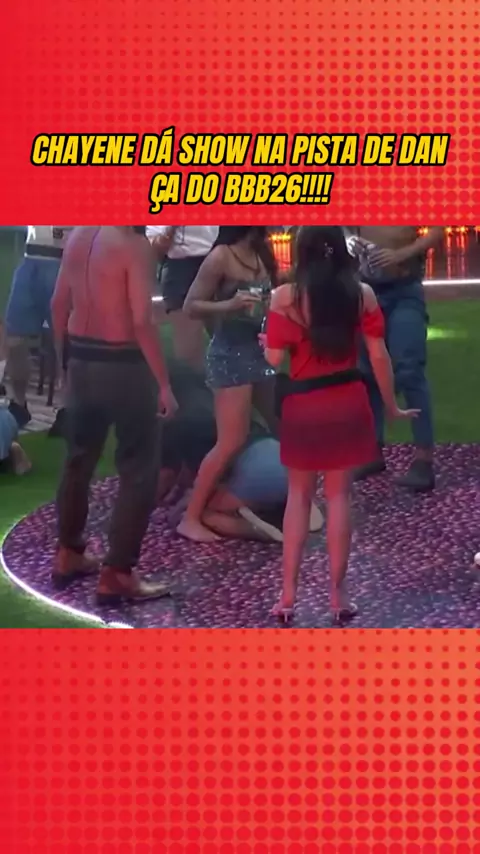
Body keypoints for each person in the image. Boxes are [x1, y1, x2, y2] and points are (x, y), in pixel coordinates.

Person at [262, 226, 419, 623]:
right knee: (338, 499)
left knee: (298, 498)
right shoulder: (361, 295)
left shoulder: (285, 297)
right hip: (347, 404)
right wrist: (391, 406)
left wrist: (267, 341)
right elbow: (379, 356)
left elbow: (274, 360)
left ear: (301, 251)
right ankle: (338, 595)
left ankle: (287, 596)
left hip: (303, 407)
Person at [51, 226, 178, 604]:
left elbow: (58, 305)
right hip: (124, 364)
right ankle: (117, 573)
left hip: (81, 357)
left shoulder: (78, 236)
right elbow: (141, 320)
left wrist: (64, 364)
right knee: (139, 467)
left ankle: (68, 552)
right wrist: (164, 383)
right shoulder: (133, 245)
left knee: (78, 459)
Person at [177, 225, 279, 542]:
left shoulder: (262, 253)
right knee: (231, 440)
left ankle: (271, 497)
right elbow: (191, 306)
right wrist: (229, 305)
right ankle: (191, 516)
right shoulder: (220, 257)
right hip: (230, 355)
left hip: (259, 351)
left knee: (280, 422)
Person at [156, 359, 323, 541]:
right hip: (280, 455)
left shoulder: (176, 425)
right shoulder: (216, 405)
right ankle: (287, 505)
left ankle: (256, 530)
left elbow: (167, 478)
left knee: (198, 509)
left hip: (258, 472)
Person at [346, 226, 443, 492]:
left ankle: (423, 460)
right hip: (365, 289)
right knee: (366, 372)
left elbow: (438, 231)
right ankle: (372, 451)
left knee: (409, 369)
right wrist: (350, 241)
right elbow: (341, 229)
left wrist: (400, 254)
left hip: (404, 288)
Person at [4, 226, 73, 431]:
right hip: (30, 258)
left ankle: (68, 407)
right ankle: (19, 404)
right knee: (14, 338)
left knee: (64, 341)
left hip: (63, 260)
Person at [146, 226, 219, 367]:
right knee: (188, 352)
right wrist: (171, 228)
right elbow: (155, 249)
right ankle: (196, 378)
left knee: (230, 338)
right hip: (180, 267)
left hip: (219, 259)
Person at [0, 406, 31, 475]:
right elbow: (15, 437)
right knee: (15, 445)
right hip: (4, 462)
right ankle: (21, 467)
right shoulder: (8, 415)